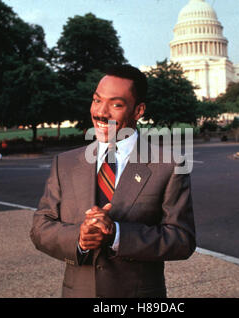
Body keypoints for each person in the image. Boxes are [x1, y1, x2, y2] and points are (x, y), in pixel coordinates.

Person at [30, 65, 196, 298]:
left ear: (138, 111)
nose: (100, 113)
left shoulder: (168, 166)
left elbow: (182, 239)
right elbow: (40, 228)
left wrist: (117, 234)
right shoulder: (65, 164)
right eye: (97, 100)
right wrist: (80, 238)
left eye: (116, 105)